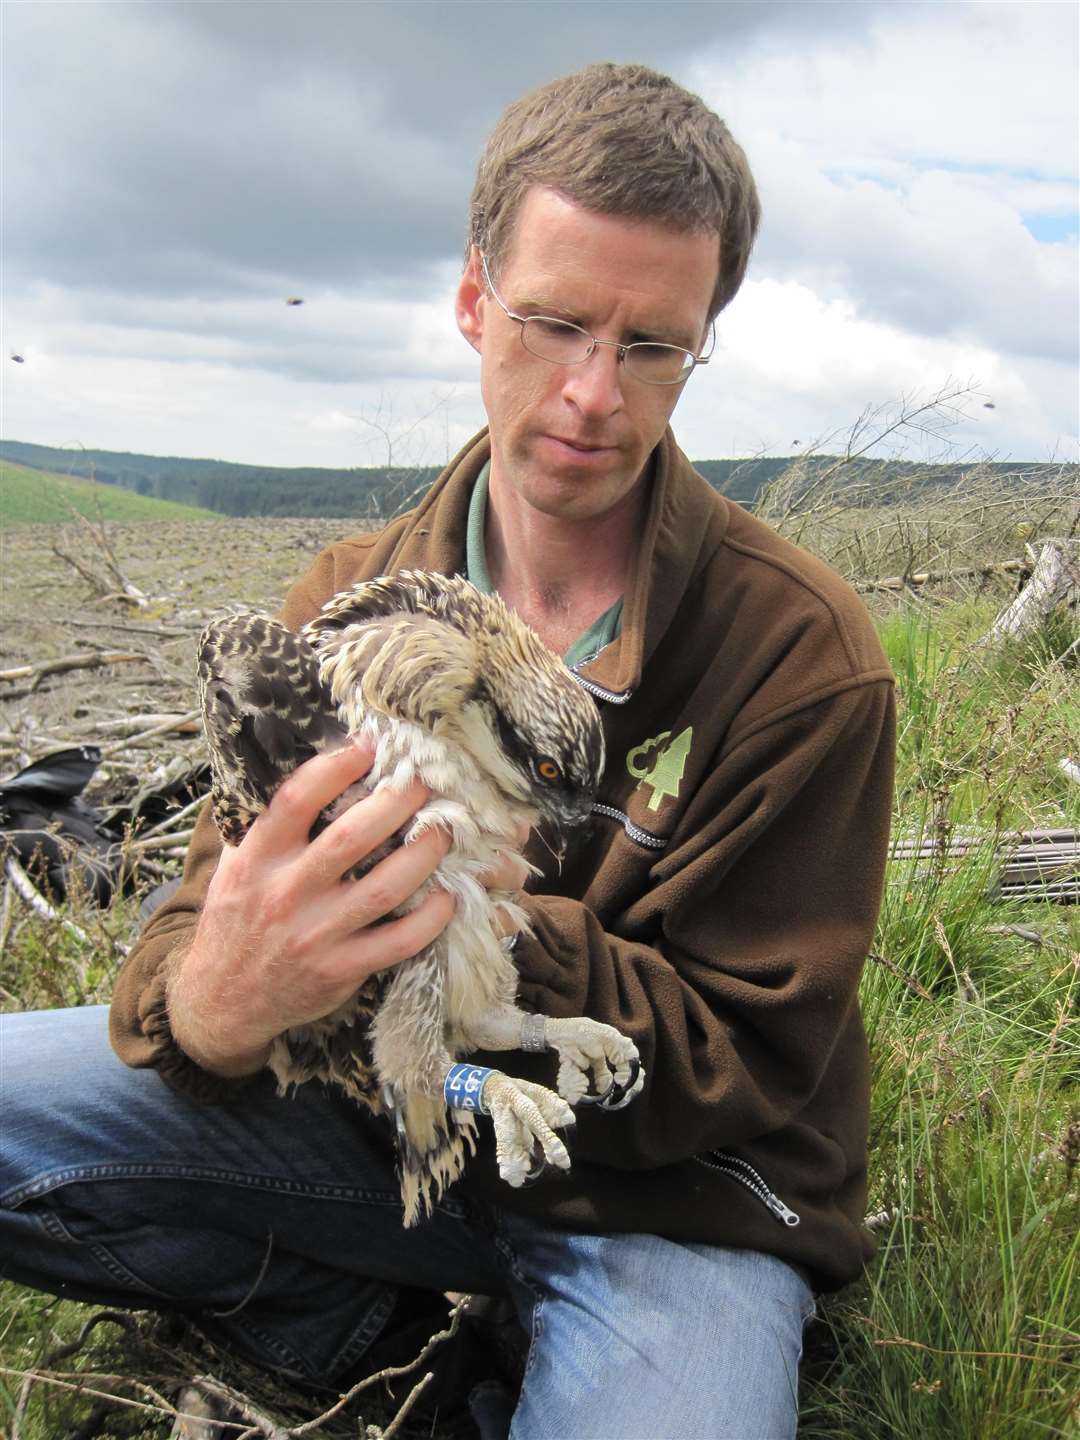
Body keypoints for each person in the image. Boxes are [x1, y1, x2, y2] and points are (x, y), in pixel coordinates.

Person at [1, 63, 895, 1439]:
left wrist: (445, 920)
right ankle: (363, 1333)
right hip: (381, 1125)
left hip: (670, 1203)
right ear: (476, 301)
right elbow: (191, 941)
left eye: (652, 345)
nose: (594, 392)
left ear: (702, 344)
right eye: (553, 323)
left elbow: (754, 1065)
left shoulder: (802, 658)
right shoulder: (347, 610)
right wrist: (221, 1001)